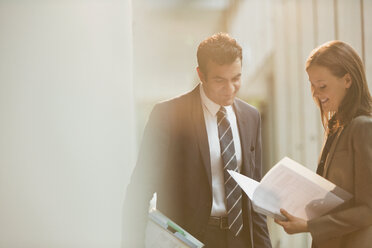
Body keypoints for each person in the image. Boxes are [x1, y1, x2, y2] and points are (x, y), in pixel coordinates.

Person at [123, 33, 272, 248]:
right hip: (190, 238)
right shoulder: (169, 114)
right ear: (201, 75)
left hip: (240, 238)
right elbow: (141, 188)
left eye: (236, 78)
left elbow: (253, 196)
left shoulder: (251, 116)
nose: (229, 89)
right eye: (220, 80)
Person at [275, 40, 372, 248]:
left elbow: (369, 209)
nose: (317, 94)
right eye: (312, 84)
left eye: (322, 86)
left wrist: (310, 225)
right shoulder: (337, 128)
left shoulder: (364, 127)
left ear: (347, 80)